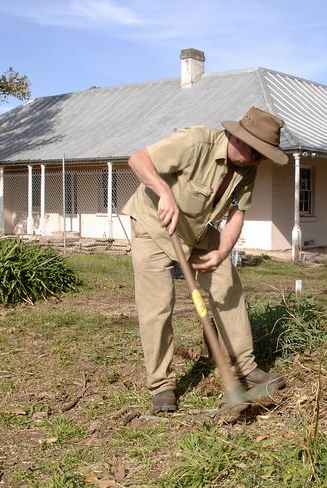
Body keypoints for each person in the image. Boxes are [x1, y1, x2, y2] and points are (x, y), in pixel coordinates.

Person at [122, 106, 288, 412]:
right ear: (241, 140)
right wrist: (165, 193)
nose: (258, 161)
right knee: (157, 305)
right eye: (257, 154)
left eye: (263, 156)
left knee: (227, 285)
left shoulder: (248, 170)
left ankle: (244, 366)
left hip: (197, 231)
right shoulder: (195, 142)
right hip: (153, 225)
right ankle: (162, 385)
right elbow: (138, 160)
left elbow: (237, 216)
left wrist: (220, 254)